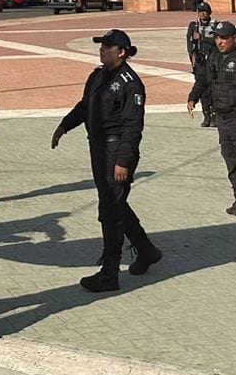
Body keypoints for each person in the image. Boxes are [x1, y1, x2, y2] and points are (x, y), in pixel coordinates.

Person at [51, 28, 161, 292]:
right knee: (115, 204)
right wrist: (64, 126)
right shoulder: (98, 76)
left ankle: (109, 271)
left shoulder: (130, 83)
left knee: (110, 210)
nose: (101, 50)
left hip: (116, 151)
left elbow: (133, 126)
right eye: (100, 46)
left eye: (106, 47)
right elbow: (84, 106)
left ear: (121, 52)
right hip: (98, 150)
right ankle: (145, 249)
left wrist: (123, 160)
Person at [186, 20, 236, 215]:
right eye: (218, 38)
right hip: (222, 118)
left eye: (224, 38)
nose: (220, 42)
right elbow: (203, 79)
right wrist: (193, 97)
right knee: (231, 161)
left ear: (234, 38)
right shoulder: (214, 57)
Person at [185, 1, 217, 128]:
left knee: (214, 89)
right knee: (202, 90)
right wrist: (191, 58)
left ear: (209, 13)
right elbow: (189, 43)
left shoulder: (215, 25)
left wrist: (203, 38)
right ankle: (206, 115)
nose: (202, 14)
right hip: (200, 62)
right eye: (200, 11)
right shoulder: (193, 26)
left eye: (204, 11)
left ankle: (215, 114)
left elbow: (217, 41)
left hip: (213, 61)